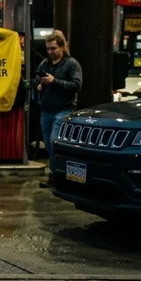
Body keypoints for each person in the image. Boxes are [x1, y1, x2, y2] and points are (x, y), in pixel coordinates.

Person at [36, 32, 82, 188]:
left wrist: (53, 81)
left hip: (64, 109)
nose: (50, 52)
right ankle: (56, 173)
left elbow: (76, 86)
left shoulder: (71, 64)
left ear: (62, 47)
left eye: (53, 48)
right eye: (48, 49)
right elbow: (37, 79)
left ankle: (55, 175)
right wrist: (40, 84)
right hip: (46, 109)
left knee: (54, 142)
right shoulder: (44, 64)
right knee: (49, 145)